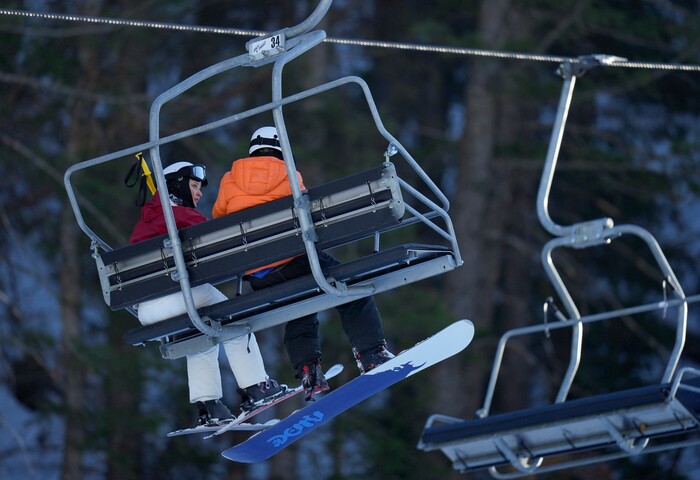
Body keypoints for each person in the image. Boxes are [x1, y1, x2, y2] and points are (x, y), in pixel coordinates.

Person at [212, 126, 395, 399]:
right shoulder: (290, 175)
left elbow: (219, 219)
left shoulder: (228, 180)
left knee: (300, 307)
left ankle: (309, 368)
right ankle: (371, 353)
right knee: (352, 286)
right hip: (296, 261)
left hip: (259, 277)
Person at [129, 160, 284, 425]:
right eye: (193, 185)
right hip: (177, 297)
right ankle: (257, 386)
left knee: (201, 330)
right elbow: (216, 250)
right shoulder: (181, 216)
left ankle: (209, 405)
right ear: (177, 186)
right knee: (233, 316)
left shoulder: (147, 221)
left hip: (146, 309)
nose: (199, 193)